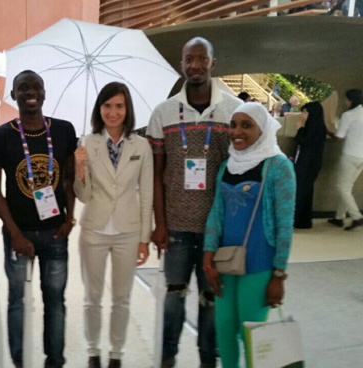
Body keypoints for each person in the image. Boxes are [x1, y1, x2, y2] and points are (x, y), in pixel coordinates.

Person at [146, 36, 242, 368]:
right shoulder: (164, 112)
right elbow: (156, 174)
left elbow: (243, 171)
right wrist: (159, 224)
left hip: (218, 230)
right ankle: (167, 358)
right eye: (189, 59)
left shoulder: (234, 111)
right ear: (181, 63)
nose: (195, 65)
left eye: (202, 59)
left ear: (213, 63)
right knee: (172, 301)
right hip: (176, 229)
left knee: (212, 302)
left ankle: (207, 362)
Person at [0, 70, 77, 368]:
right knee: (17, 302)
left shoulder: (63, 131)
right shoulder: (0, 136)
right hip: (18, 233)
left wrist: (69, 219)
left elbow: (69, 180)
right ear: (13, 95)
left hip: (55, 234)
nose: (30, 92)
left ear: (45, 93)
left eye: (36, 87)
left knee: (55, 303)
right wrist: (14, 233)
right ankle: (20, 361)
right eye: (22, 88)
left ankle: (55, 362)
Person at [202, 102, 295, 368]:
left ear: (262, 129)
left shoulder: (279, 167)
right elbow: (216, 214)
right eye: (233, 125)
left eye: (246, 125)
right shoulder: (226, 166)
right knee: (224, 329)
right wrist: (208, 258)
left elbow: (285, 225)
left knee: (253, 336)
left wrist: (279, 275)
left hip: (260, 265)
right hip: (225, 263)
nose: (236, 132)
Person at [74, 82, 153, 368]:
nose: (113, 112)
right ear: (99, 109)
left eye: (119, 106)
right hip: (94, 229)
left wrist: (145, 238)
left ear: (127, 109)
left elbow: (146, 193)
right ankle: (93, 350)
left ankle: (116, 354)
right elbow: (83, 195)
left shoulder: (141, 145)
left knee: (122, 297)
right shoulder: (87, 141)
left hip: (128, 232)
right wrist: (80, 169)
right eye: (107, 105)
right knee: (92, 297)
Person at [327, 89, 363, 231]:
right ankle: (339, 217)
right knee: (347, 187)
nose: (345, 102)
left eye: (346, 99)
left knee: (342, 188)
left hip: (350, 155)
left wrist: (327, 131)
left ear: (351, 100)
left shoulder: (348, 115)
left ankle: (357, 217)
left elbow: (339, 137)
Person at [293, 101, 327, 229]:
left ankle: (295, 220)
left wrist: (300, 128)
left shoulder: (313, 128)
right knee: (306, 191)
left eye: (305, 112)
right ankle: (304, 221)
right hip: (310, 163)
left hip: (307, 163)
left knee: (300, 191)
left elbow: (303, 141)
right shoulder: (317, 127)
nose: (303, 114)